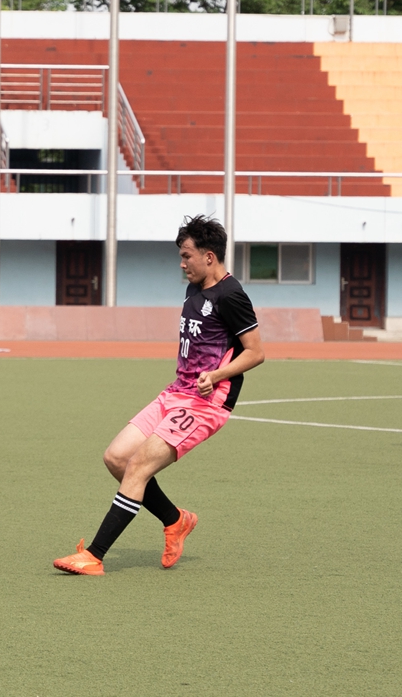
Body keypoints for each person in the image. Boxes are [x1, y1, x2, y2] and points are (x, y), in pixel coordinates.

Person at [53, 215, 265, 576]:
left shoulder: (232, 295)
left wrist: (216, 375)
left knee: (138, 467)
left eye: (187, 256)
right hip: (175, 392)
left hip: (205, 404)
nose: (182, 264)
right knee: (116, 458)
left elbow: (255, 352)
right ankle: (175, 520)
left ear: (209, 257)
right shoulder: (194, 288)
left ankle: (95, 555)